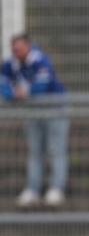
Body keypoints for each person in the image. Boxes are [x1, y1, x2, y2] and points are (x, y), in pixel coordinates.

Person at [1, 34, 68, 207]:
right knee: (34, 151)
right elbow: (2, 84)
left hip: (54, 109)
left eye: (20, 47)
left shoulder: (39, 59)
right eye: (14, 48)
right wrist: (12, 94)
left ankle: (56, 189)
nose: (17, 51)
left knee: (56, 149)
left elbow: (42, 84)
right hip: (33, 111)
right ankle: (33, 189)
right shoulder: (9, 64)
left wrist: (25, 92)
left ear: (28, 46)